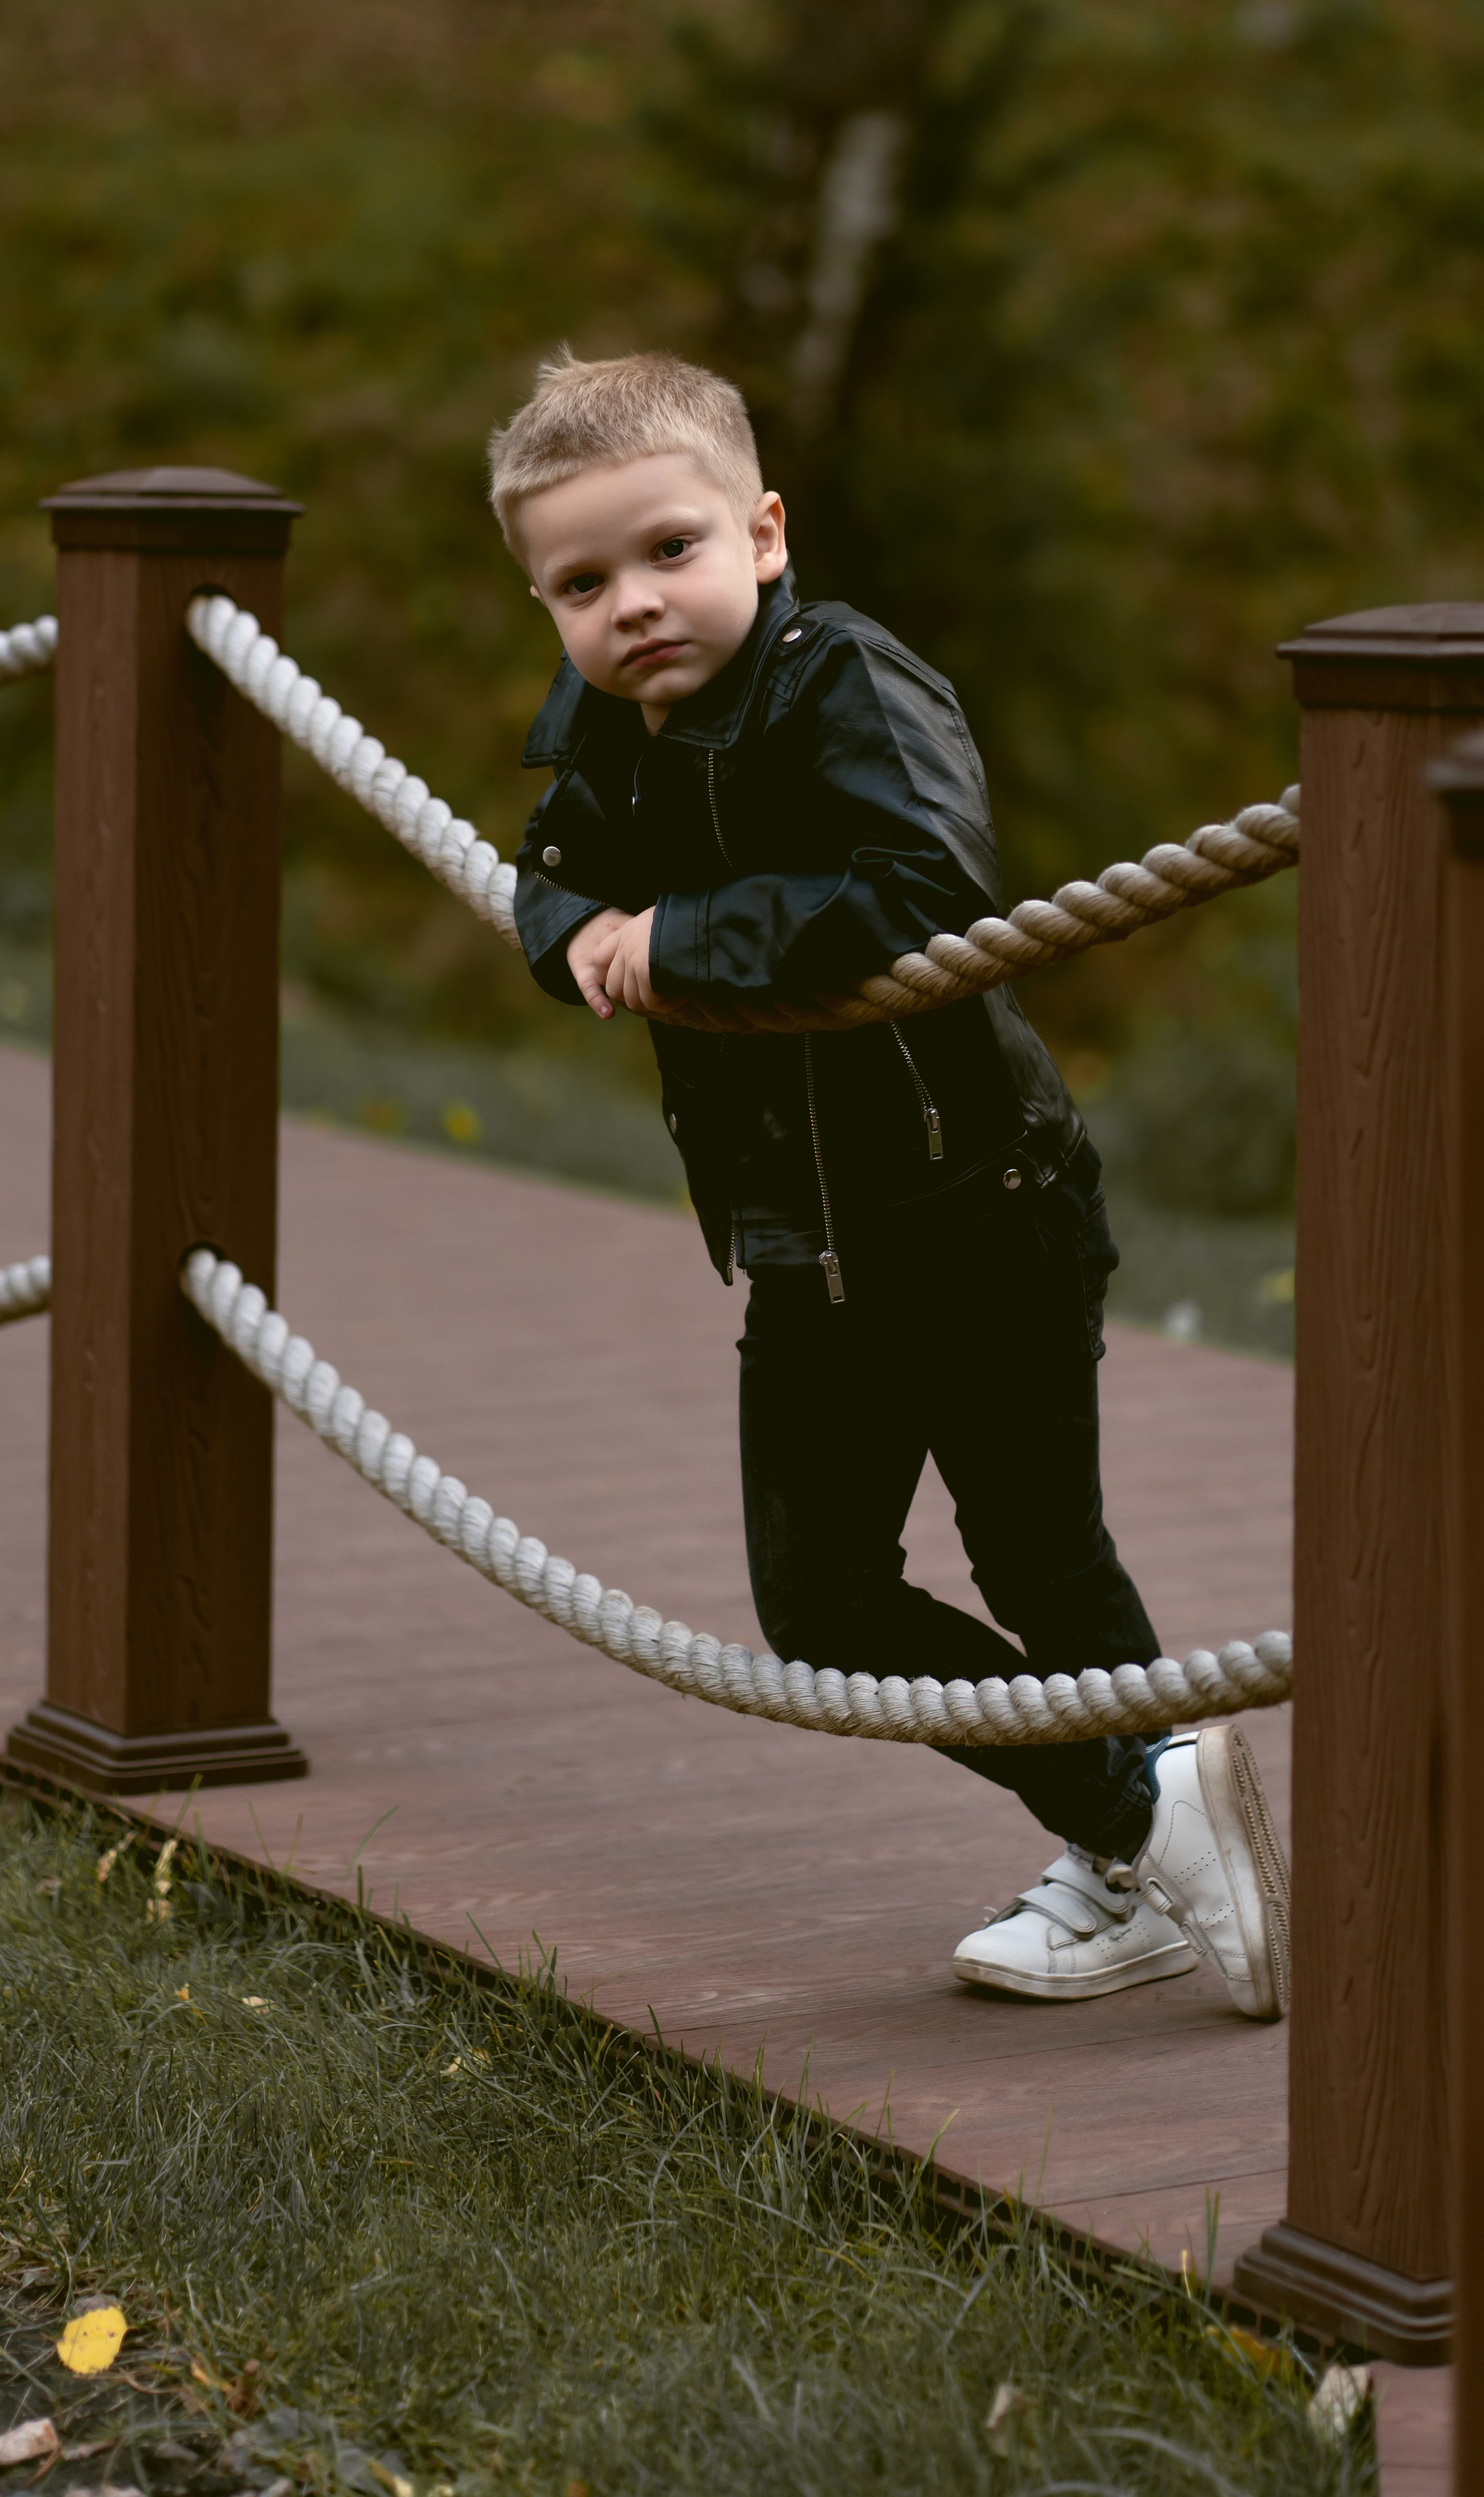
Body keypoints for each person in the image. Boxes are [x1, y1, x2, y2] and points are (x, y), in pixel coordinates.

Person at [491, 348, 1289, 2018]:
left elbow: (923, 883)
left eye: (670, 550)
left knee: (1038, 1556)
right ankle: (1141, 1816)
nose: (634, 604)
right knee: (822, 1600)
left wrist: (681, 940)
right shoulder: (607, 734)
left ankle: (1127, 1865)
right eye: (582, 583)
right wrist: (584, 935)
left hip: (978, 1205)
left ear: (763, 533)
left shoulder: (846, 680)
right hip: (800, 1242)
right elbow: (548, 883)